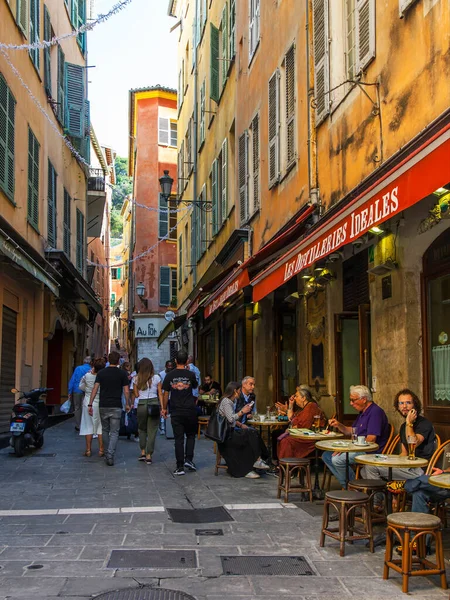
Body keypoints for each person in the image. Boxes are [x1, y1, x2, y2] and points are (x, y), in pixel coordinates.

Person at [322, 385, 390, 488]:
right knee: (327, 456)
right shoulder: (363, 413)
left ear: (364, 399)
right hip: (358, 447)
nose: (351, 403)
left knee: (337, 460)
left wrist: (348, 449)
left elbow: (371, 439)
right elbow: (351, 431)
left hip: (369, 451)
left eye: (353, 400)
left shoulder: (375, 412)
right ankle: (353, 484)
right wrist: (339, 425)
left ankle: (352, 487)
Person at [363, 389, 435, 482]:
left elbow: (413, 443)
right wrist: (389, 461)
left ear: (415, 405)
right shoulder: (403, 426)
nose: (404, 406)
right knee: (364, 470)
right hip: (407, 465)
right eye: (401, 403)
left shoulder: (424, 423)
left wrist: (409, 423)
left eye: (408, 403)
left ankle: (381, 496)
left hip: (419, 469)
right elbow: (404, 453)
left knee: (370, 468)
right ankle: (389, 494)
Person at [218, 382, 270, 479]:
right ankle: (257, 460)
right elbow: (231, 419)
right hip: (226, 434)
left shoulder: (231, 401)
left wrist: (242, 422)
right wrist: (242, 412)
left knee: (252, 432)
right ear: (235, 391)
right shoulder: (226, 401)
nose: (240, 393)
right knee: (251, 433)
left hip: (231, 431)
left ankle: (258, 460)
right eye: (239, 391)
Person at [88, 351, 131, 466]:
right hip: (116, 405)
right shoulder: (122, 374)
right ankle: (110, 455)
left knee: (105, 430)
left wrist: (90, 404)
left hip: (103, 405)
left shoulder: (101, 373)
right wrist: (128, 403)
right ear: (118, 361)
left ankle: (107, 453)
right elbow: (126, 391)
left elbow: (95, 389)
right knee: (115, 432)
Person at [162, 349, 198, 476]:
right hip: (190, 409)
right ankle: (189, 459)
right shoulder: (191, 375)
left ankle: (180, 466)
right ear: (187, 361)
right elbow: (194, 386)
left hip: (176, 410)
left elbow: (166, 393)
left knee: (178, 439)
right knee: (191, 435)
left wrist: (164, 408)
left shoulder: (169, 376)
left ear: (175, 361)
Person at [277, 387, 326, 460]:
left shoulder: (311, 406)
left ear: (303, 398)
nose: (295, 398)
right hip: (301, 434)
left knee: (286, 441)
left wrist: (292, 429)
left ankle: (287, 465)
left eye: (296, 396)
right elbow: (292, 418)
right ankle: (284, 465)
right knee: (282, 437)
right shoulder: (303, 408)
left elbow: (304, 426)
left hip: (309, 438)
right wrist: (291, 404)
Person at [133, 358, 163, 464]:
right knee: (152, 430)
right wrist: (163, 408)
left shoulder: (136, 379)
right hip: (154, 403)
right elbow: (160, 394)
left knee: (142, 429)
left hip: (141, 404)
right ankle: (149, 454)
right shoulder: (156, 378)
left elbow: (136, 395)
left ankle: (142, 452)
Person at [79, 358, 105, 457]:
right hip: (100, 402)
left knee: (88, 426)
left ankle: (88, 450)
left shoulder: (87, 376)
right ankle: (101, 449)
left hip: (88, 401)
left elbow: (80, 386)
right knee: (100, 427)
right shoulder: (103, 377)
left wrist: (87, 389)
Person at [68, 357, 92, 431]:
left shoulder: (78, 368)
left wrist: (69, 391)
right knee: (87, 406)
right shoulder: (91, 369)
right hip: (88, 390)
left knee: (77, 407)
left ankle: (78, 425)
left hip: (77, 389)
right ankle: (87, 424)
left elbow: (73, 379)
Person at [158, 360, 175, 435]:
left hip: (172, 396)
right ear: (166, 366)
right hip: (163, 395)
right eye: (169, 366)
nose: (170, 367)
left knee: (172, 412)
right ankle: (162, 428)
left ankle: (171, 428)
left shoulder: (174, 374)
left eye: (171, 366)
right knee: (163, 411)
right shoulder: (161, 374)